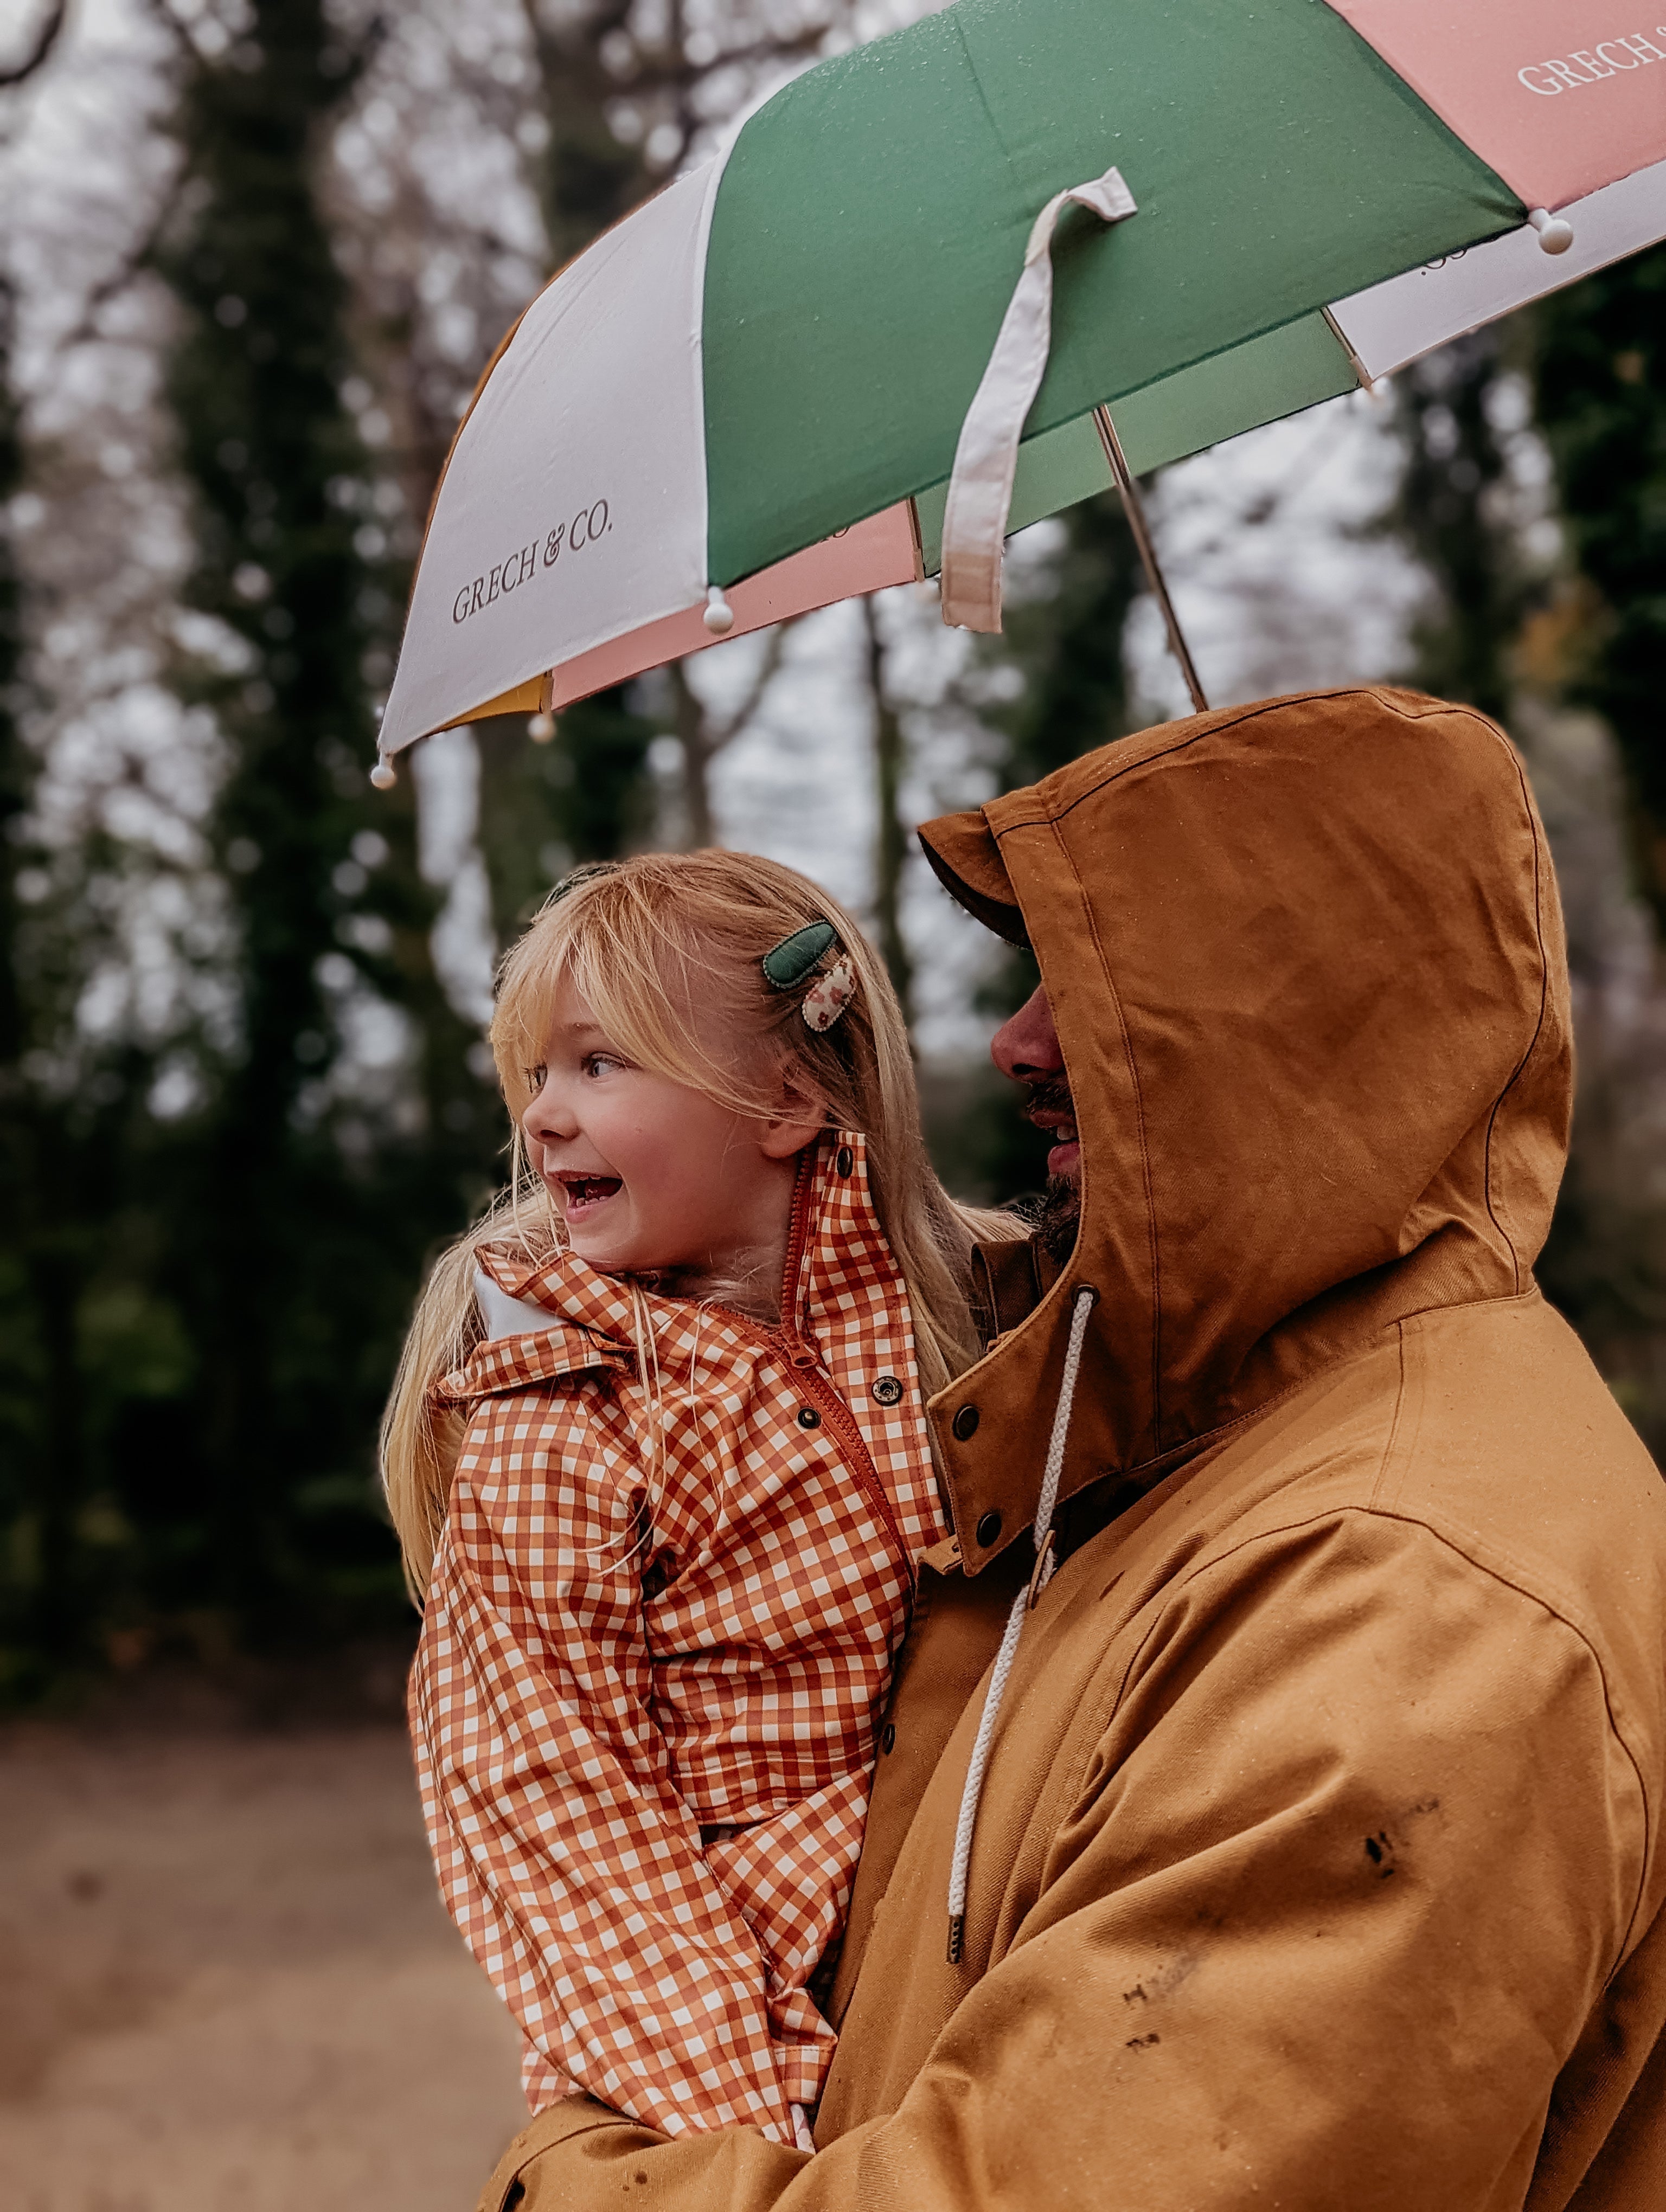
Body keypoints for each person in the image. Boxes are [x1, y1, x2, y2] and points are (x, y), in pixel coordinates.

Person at [471, 685, 1666, 2212]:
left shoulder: (1406, 1600)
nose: (1013, 1037)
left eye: (1102, 982)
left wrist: (577, 2162)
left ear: (1308, 1016)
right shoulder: (1166, 1426)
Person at [381, 850, 1023, 2151]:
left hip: (960, 1943)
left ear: (784, 1101)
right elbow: (546, 1788)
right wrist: (742, 2119)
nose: (544, 1115)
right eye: (538, 1072)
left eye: (599, 1065)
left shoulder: (961, 1316)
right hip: (745, 2026)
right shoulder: (565, 1417)